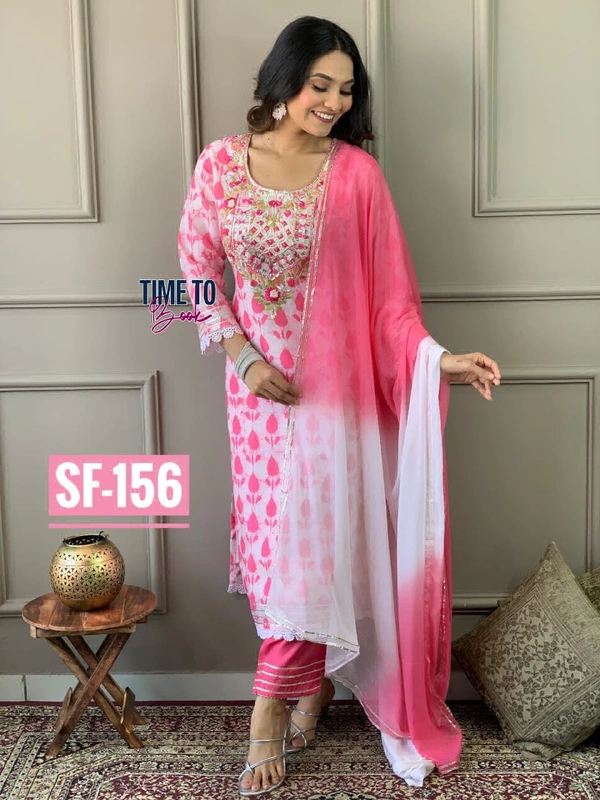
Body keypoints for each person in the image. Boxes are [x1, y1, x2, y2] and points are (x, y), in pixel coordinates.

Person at [178, 15, 501, 796]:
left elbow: (392, 305)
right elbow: (189, 275)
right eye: (319, 84)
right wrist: (243, 357)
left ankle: (267, 712)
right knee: (273, 558)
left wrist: (438, 360)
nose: (332, 102)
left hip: (336, 405)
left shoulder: (356, 175)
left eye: (346, 90)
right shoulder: (219, 165)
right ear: (283, 80)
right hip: (256, 406)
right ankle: (312, 686)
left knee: (311, 555)